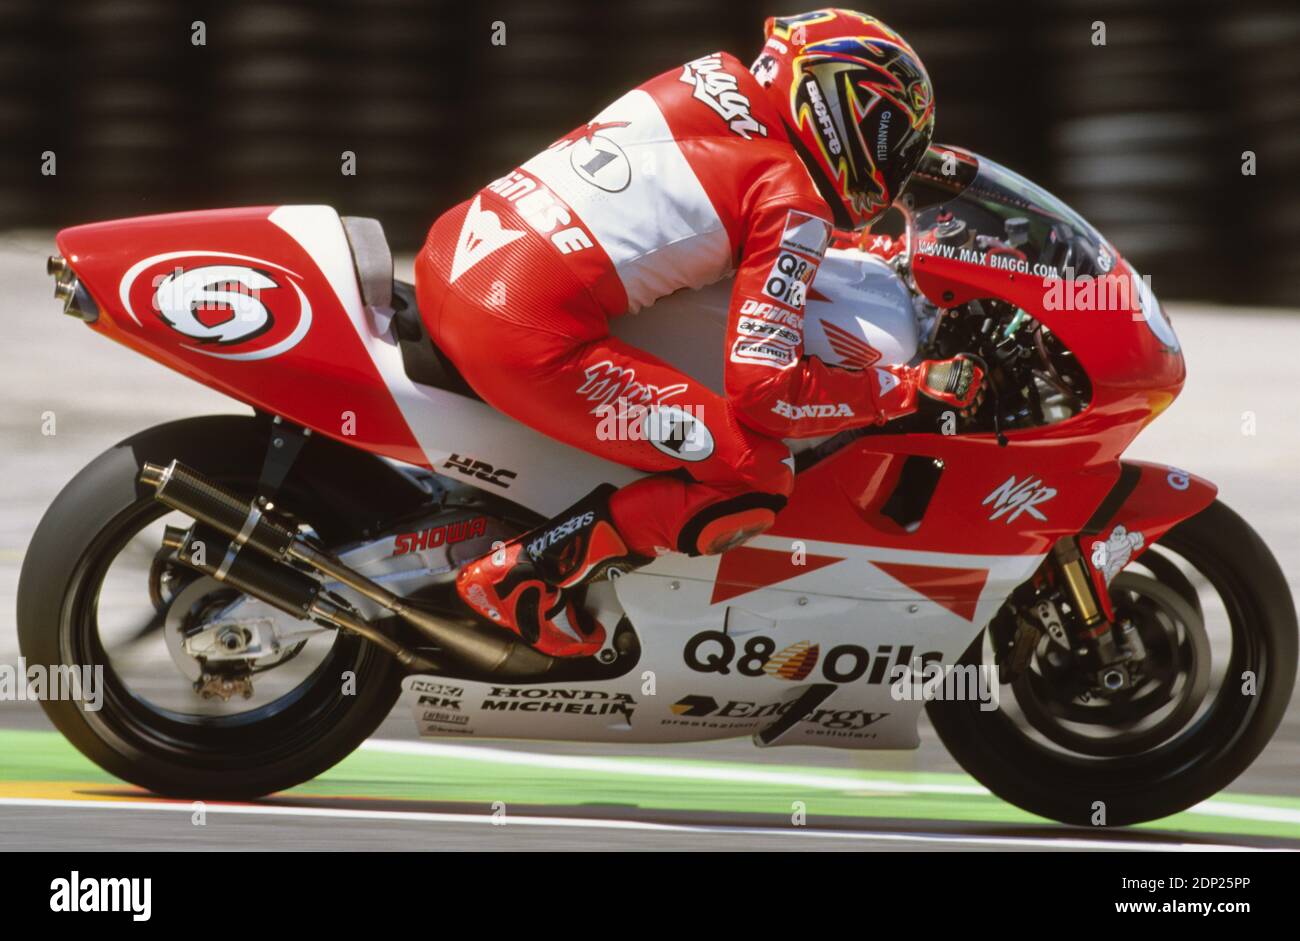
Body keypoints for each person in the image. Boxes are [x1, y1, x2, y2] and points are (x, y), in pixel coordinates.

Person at [413, 8, 983, 658]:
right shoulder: (792, 193)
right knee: (757, 469)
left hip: (451, 250)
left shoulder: (709, 79)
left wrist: (853, 243)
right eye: (892, 142)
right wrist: (906, 386)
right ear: (842, 109)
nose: (894, 169)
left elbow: (692, 201)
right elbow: (766, 392)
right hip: (519, 336)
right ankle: (527, 574)